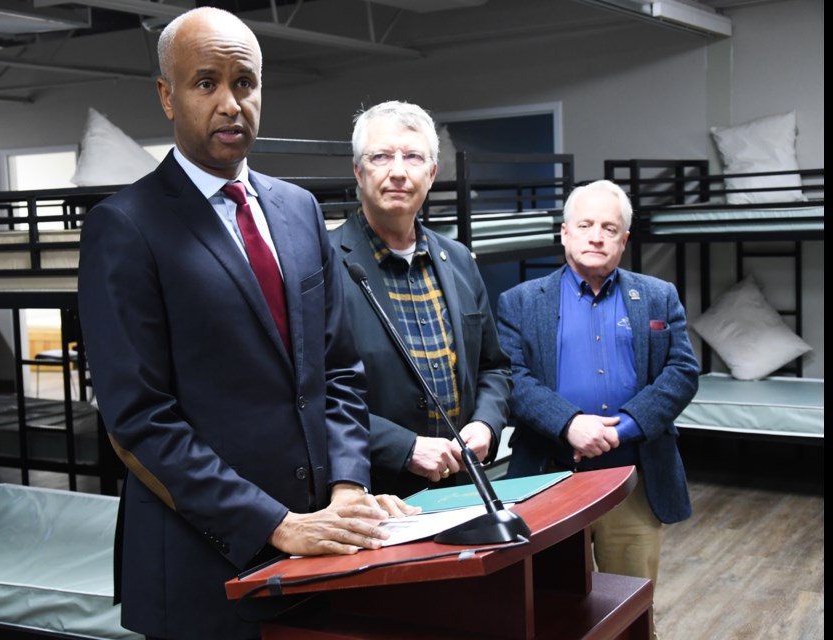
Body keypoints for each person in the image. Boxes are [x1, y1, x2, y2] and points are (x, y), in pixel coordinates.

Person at [77, 9, 415, 640]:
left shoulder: (299, 210)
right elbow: (140, 420)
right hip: (204, 566)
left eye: (245, 82)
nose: (232, 103)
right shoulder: (126, 227)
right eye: (206, 83)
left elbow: (337, 367)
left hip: (322, 547)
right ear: (167, 97)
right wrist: (274, 524)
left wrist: (346, 487)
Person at [496, 179, 699, 635]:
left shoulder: (658, 295)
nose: (596, 236)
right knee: (549, 606)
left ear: (624, 240)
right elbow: (513, 379)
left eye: (609, 227)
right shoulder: (521, 302)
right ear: (564, 232)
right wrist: (570, 425)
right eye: (585, 224)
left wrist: (621, 428)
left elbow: (682, 372)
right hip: (548, 481)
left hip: (632, 480)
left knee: (630, 607)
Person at [329, 100, 512, 498]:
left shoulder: (459, 259)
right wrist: (403, 448)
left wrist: (485, 424)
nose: (398, 171)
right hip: (374, 494)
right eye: (381, 157)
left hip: (464, 484)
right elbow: (313, 394)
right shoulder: (321, 265)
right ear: (358, 171)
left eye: (412, 157)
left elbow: (494, 369)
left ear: (431, 174)